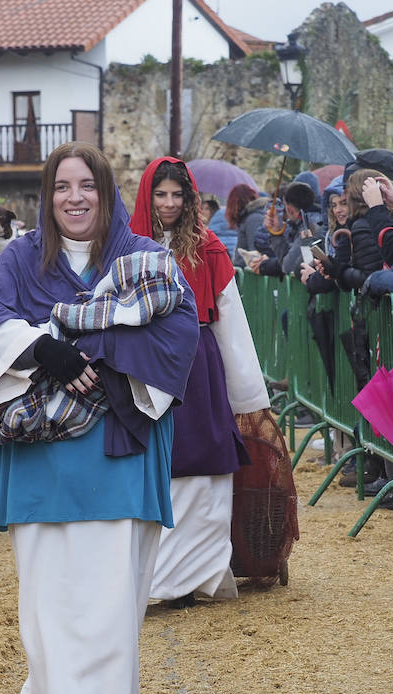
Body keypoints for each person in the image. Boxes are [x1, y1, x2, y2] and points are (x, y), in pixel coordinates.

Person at [0, 142, 198, 694]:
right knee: (49, 595)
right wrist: (45, 354)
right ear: (47, 194)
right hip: (43, 454)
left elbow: (178, 329)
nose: (75, 198)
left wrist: (108, 365)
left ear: (106, 191)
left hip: (115, 444)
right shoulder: (18, 258)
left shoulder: (145, 259)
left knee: (109, 594)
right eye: (62, 186)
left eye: (86, 185)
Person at [127, 157, 268, 605]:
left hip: (198, 365)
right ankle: (159, 578)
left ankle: (199, 574)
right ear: (148, 196)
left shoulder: (206, 248)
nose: (168, 204)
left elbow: (230, 317)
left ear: (189, 199)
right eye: (160, 194)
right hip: (146, 364)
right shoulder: (127, 247)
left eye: (177, 195)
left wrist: (247, 393)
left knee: (204, 464)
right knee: (157, 468)